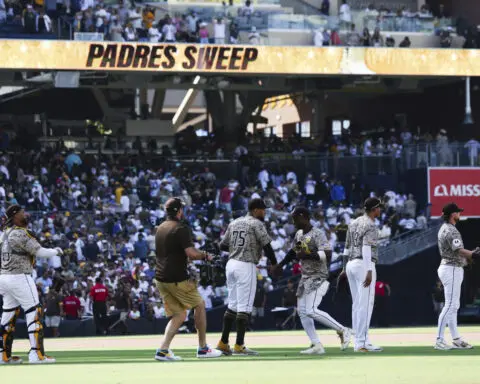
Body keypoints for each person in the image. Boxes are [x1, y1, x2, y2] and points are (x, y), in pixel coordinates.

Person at [275, 207, 351, 355]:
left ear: (304, 217)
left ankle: (343, 330)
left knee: (310, 310)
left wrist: (309, 254)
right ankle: (317, 345)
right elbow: (293, 251)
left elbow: (328, 254)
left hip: (318, 275)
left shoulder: (318, 234)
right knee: (303, 312)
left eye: (295, 218)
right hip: (305, 277)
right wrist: (281, 264)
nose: (293, 221)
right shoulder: (299, 234)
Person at [154, 197, 222, 361]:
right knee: (199, 305)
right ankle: (203, 348)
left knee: (179, 315)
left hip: (161, 279)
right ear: (179, 211)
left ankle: (163, 351)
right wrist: (207, 256)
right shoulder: (180, 228)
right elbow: (191, 253)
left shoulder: (161, 228)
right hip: (176, 279)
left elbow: (178, 253)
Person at [0, 205, 62, 364]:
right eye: (21, 212)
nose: (25, 214)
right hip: (20, 276)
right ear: (14, 216)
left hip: (4, 278)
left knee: (8, 315)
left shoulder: (3, 234)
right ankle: (36, 354)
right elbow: (40, 252)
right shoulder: (20, 233)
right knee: (34, 311)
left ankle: (3, 355)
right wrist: (56, 251)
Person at [216, 198, 278, 356]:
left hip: (231, 264)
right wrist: (275, 263)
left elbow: (222, 245)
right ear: (255, 210)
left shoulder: (235, 222)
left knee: (233, 305)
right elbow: (267, 246)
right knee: (244, 307)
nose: (264, 212)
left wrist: (238, 246)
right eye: (263, 209)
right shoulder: (256, 223)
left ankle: (223, 343)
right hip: (245, 264)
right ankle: (239, 345)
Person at [339, 197, 383, 352]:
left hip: (351, 264)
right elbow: (366, 248)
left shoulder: (354, 222)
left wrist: (344, 268)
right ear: (374, 209)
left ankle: (360, 340)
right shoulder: (370, 225)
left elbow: (345, 247)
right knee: (366, 304)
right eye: (379, 208)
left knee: (357, 304)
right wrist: (369, 270)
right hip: (364, 264)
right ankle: (361, 343)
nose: (380, 210)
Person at [434, 203, 480, 350]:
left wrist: (470, 255)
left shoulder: (444, 228)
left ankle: (456, 338)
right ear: (452, 214)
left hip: (450, 266)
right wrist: (472, 254)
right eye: (458, 212)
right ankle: (439, 340)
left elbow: (456, 252)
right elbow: (459, 250)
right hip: (451, 269)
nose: (459, 214)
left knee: (454, 306)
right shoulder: (451, 230)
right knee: (450, 306)